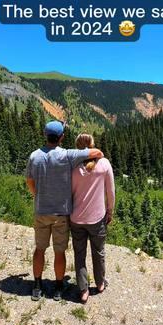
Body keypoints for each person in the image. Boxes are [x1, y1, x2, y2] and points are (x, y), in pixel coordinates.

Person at [26, 121, 104, 301]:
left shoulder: (34, 156)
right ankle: (59, 287)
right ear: (61, 137)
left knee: (40, 249)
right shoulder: (68, 155)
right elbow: (97, 153)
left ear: (45, 136)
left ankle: (37, 285)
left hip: (41, 211)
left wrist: (37, 195)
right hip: (61, 214)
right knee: (59, 252)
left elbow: (29, 181)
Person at [70, 133, 115, 303]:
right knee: (99, 251)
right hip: (97, 218)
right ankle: (100, 283)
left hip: (76, 218)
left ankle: (83, 290)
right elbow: (110, 192)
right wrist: (110, 211)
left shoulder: (72, 166)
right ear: (93, 145)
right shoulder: (104, 164)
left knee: (79, 254)